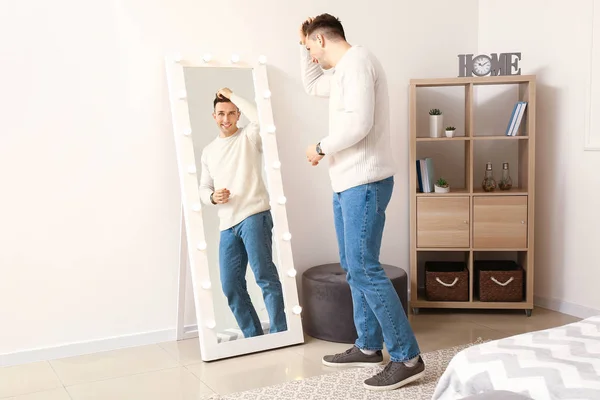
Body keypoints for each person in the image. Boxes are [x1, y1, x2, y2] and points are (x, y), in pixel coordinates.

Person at [298, 14, 425, 391]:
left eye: (309, 48)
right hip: (348, 182)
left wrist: (320, 147)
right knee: (353, 267)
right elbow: (310, 84)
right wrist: (300, 43)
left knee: (365, 267)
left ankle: (407, 357)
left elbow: (360, 124)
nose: (310, 55)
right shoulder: (341, 73)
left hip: (364, 182)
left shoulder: (358, 63)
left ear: (322, 40)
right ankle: (369, 346)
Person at [198, 87, 287, 338]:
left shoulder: (249, 137)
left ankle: (280, 334)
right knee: (230, 285)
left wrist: (233, 94)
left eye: (231, 113)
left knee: (264, 277)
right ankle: (253, 337)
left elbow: (261, 119)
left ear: (238, 115)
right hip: (227, 222)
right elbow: (204, 187)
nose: (225, 119)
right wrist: (212, 198)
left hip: (254, 215)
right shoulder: (208, 151)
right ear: (213, 116)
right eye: (221, 113)